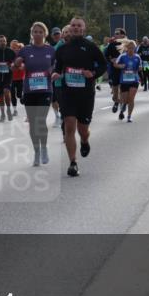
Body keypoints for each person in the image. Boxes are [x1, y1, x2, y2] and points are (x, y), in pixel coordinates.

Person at [52, 17, 108, 177]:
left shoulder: (91, 47)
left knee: (83, 129)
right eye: (73, 25)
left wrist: (93, 73)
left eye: (79, 26)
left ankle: (84, 141)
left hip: (86, 94)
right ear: (70, 28)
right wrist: (56, 74)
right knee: (69, 125)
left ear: (83, 29)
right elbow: (58, 68)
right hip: (67, 92)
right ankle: (73, 163)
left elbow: (103, 65)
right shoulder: (62, 49)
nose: (76, 28)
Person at [15, 22, 55, 166]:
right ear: (32, 34)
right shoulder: (25, 50)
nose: (37, 34)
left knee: (40, 120)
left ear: (45, 34)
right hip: (30, 90)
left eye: (40, 32)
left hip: (45, 89)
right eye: (35, 32)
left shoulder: (50, 50)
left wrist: (53, 70)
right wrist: (17, 63)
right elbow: (15, 66)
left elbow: (57, 65)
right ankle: (37, 151)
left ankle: (44, 148)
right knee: (33, 124)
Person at [112, 39, 141, 122]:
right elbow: (115, 64)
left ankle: (129, 116)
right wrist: (120, 66)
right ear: (126, 48)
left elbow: (140, 67)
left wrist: (139, 69)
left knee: (131, 98)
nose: (131, 49)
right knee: (124, 99)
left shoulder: (137, 57)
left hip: (134, 80)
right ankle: (123, 106)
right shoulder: (122, 56)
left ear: (135, 48)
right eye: (130, 48)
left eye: (133, 48)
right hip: (124, 80)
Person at [0, 35, 16, 122]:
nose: (2, 43)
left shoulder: (11, 52)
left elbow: (15, 62)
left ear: (6, 42)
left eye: (4, 41)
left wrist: (12, 65)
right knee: (1, 96)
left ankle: (8, 109)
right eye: (1, 41)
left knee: (6, 91)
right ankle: (2, 114)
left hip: (8, 76)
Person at [104, 28, 124, 113]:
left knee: (122, 88)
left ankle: (121, 107)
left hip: (124, 70)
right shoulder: (111, 45)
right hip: (114, 69)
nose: (115, 35)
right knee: (115, 89)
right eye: (115, 33)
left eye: (118, 33)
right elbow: (106, 55)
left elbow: (132, 55)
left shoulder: (126, 44)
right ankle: (116, 101)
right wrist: (111, 60)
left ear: (123, 35)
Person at [9, 39, 25, 117]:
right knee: (12, 94)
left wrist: (20, 66)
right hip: (11, 78)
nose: (15, 49)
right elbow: (8, 65)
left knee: (19, 95)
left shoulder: (22, 55)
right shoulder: (9, 55)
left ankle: (23, 98)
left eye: (16, 47)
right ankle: (15, 110)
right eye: (13, 47)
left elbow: (24, 65)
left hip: (20, 78)